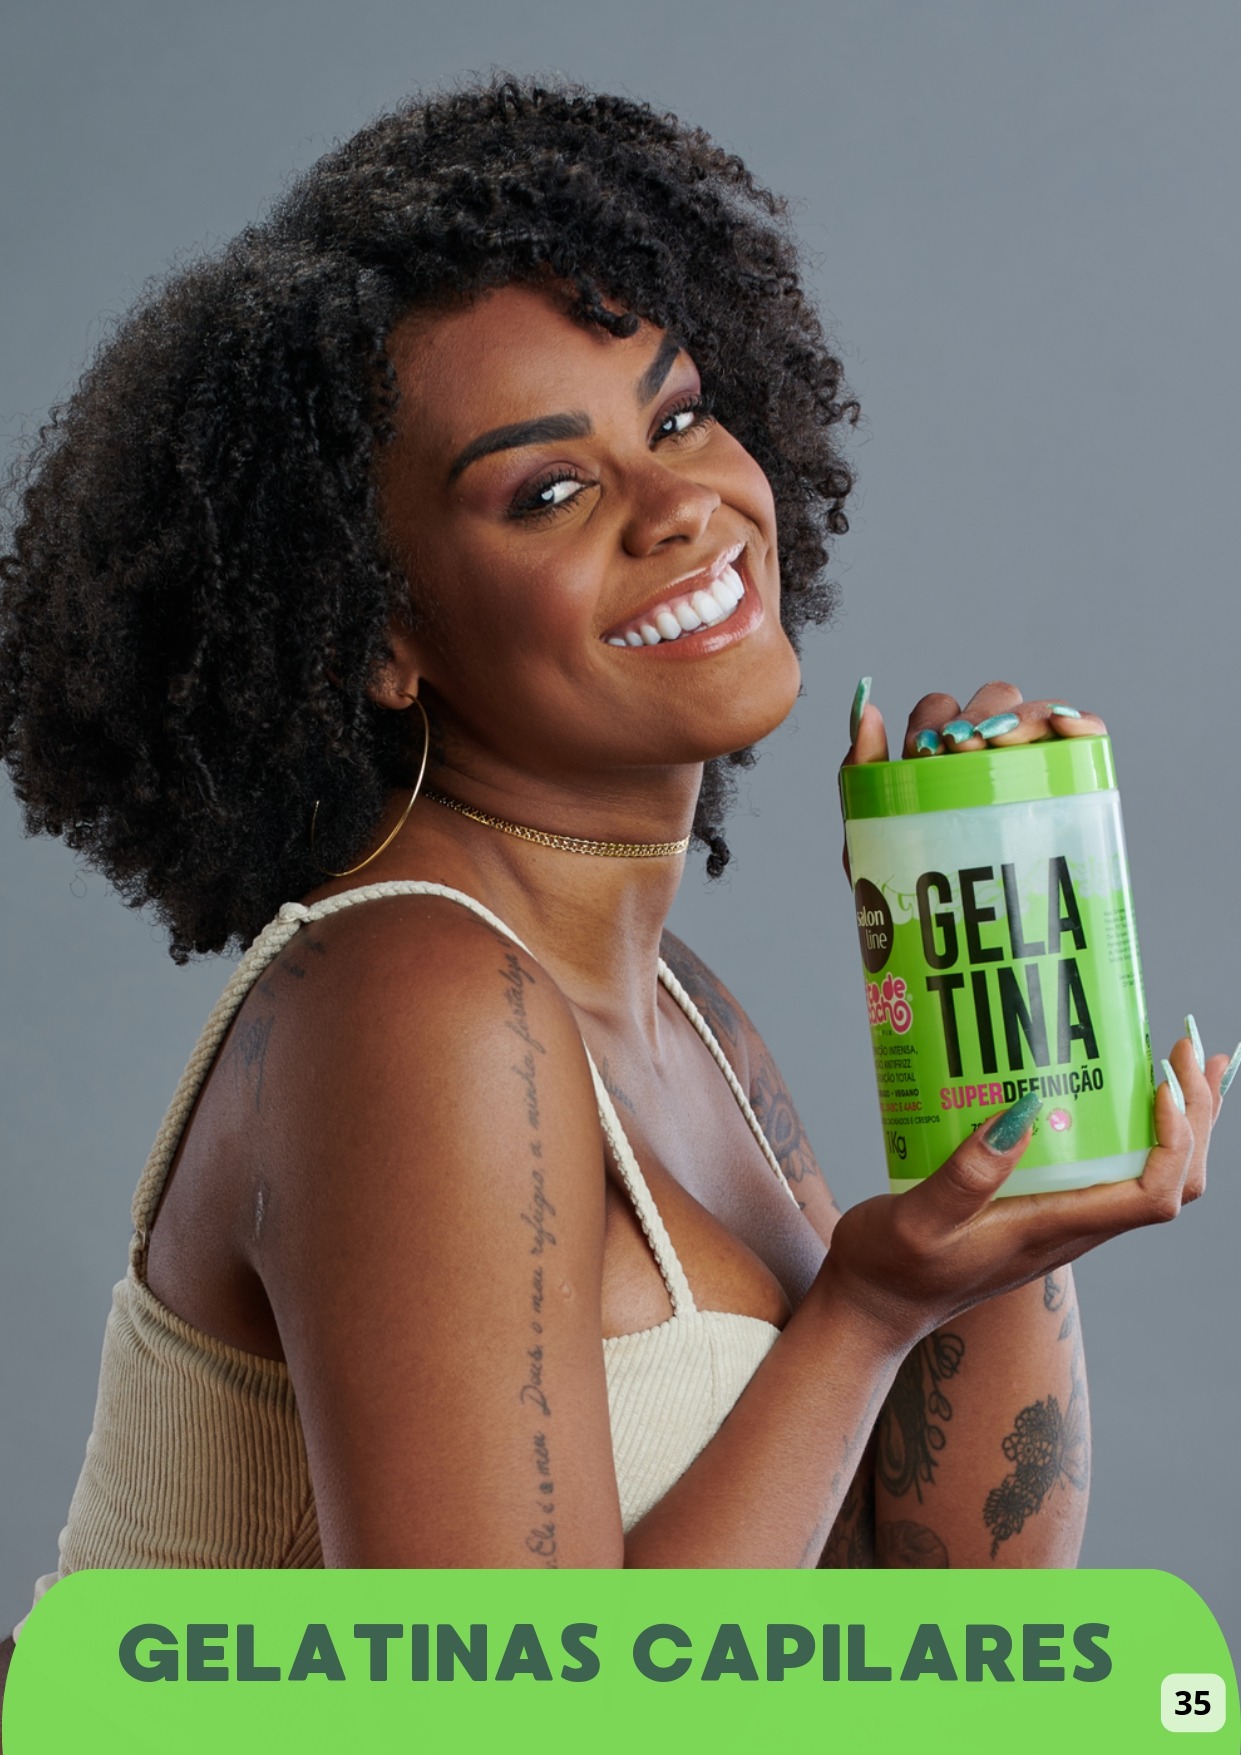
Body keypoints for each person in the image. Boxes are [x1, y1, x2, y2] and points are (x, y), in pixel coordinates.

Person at [0, 77, 1227, 1641]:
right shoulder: (413, 999)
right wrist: (860, 1311)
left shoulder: (681, 1009)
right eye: (550, 492)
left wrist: (1006, 1086)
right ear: (377, 636)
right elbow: (520, 1712)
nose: (681, 510)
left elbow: (941, 1615)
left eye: (678, 417)